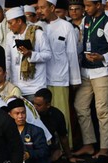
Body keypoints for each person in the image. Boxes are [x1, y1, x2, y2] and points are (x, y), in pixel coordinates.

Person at [72, 0, 108, 157]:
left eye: (88, 6)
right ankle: (88, 144)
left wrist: (102, 57)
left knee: (103, 111)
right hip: (86, 71)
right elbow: (83, 42)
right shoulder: (86, 20)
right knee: (80, 106)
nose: (85, 9)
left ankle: (104, 148)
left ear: (99, 5)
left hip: (103, 72)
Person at [36, 0, 81, 149]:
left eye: (43, 8)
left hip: (60, 79)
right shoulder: (37, 27)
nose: (39, 11)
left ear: (52, 8)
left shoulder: (66, 26)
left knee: (60, 116)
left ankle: (64, 150)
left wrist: (74, 80)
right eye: (38, 8)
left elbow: (72, 54)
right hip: (41, 79)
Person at [4, 6, 51, 99]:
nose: (9, 27)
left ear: (19, 21)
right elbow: (7, 59)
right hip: (16, 87)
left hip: (34, 88)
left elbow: (48, 55)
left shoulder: (38, 33)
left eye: (10, 23)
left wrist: (31, 54)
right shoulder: (10, 36)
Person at [6, 98, 50, 163]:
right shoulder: (6, 132)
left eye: (23, 113)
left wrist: (29, 154)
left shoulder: (36, 131)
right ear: (10, 114)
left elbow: (44, 151)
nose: (21, 116)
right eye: (17, 113)